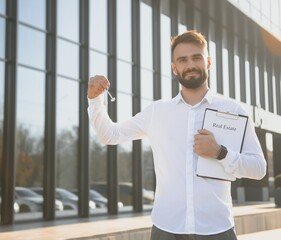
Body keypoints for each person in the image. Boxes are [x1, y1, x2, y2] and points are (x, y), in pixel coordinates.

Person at [87, 30, 266, 240]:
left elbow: (259, 168)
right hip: (167, 229)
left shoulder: (233, 111)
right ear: (174, 68)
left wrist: (220, 153)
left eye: (196, 57)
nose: (190, 65)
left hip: (217, 229)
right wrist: (95, 99)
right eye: (182, 60)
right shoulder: (157, 112)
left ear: (208, 62)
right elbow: (110, 135)